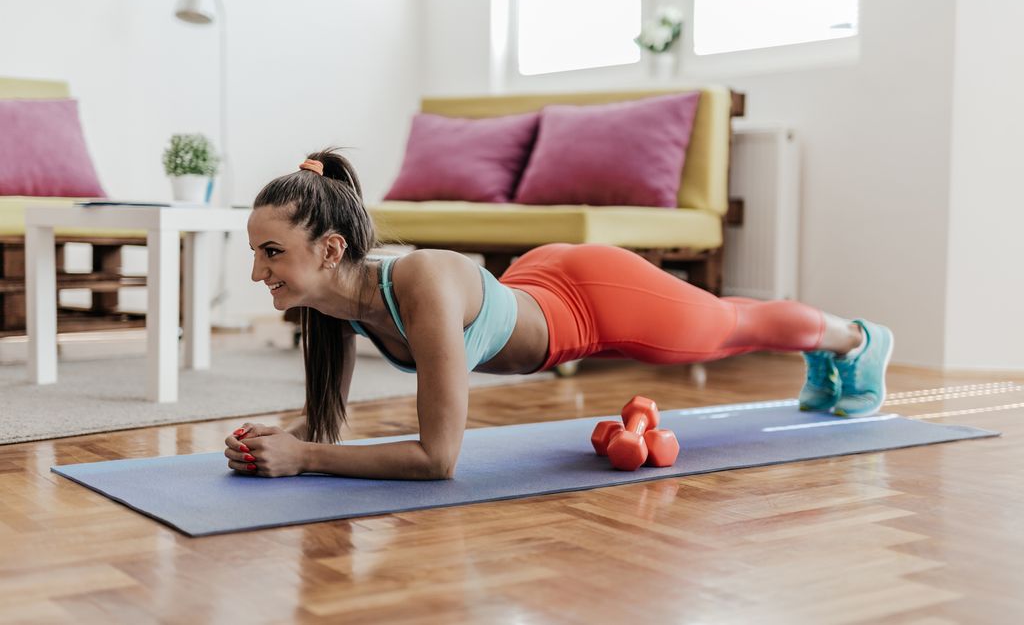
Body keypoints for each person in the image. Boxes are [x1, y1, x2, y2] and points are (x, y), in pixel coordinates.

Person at [225, 149, 894, 480]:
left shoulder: (419, 282)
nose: (259, 272)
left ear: (331, 248)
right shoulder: (332, 304)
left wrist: (304, 459)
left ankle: (854, 339)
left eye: (272, 252)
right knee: (727, 318)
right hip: (539, 282)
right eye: (257, 252)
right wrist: (274, 441)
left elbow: (438, 457)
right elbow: (327, 426)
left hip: (593, 300)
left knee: (728, 327)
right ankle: (834, 348)